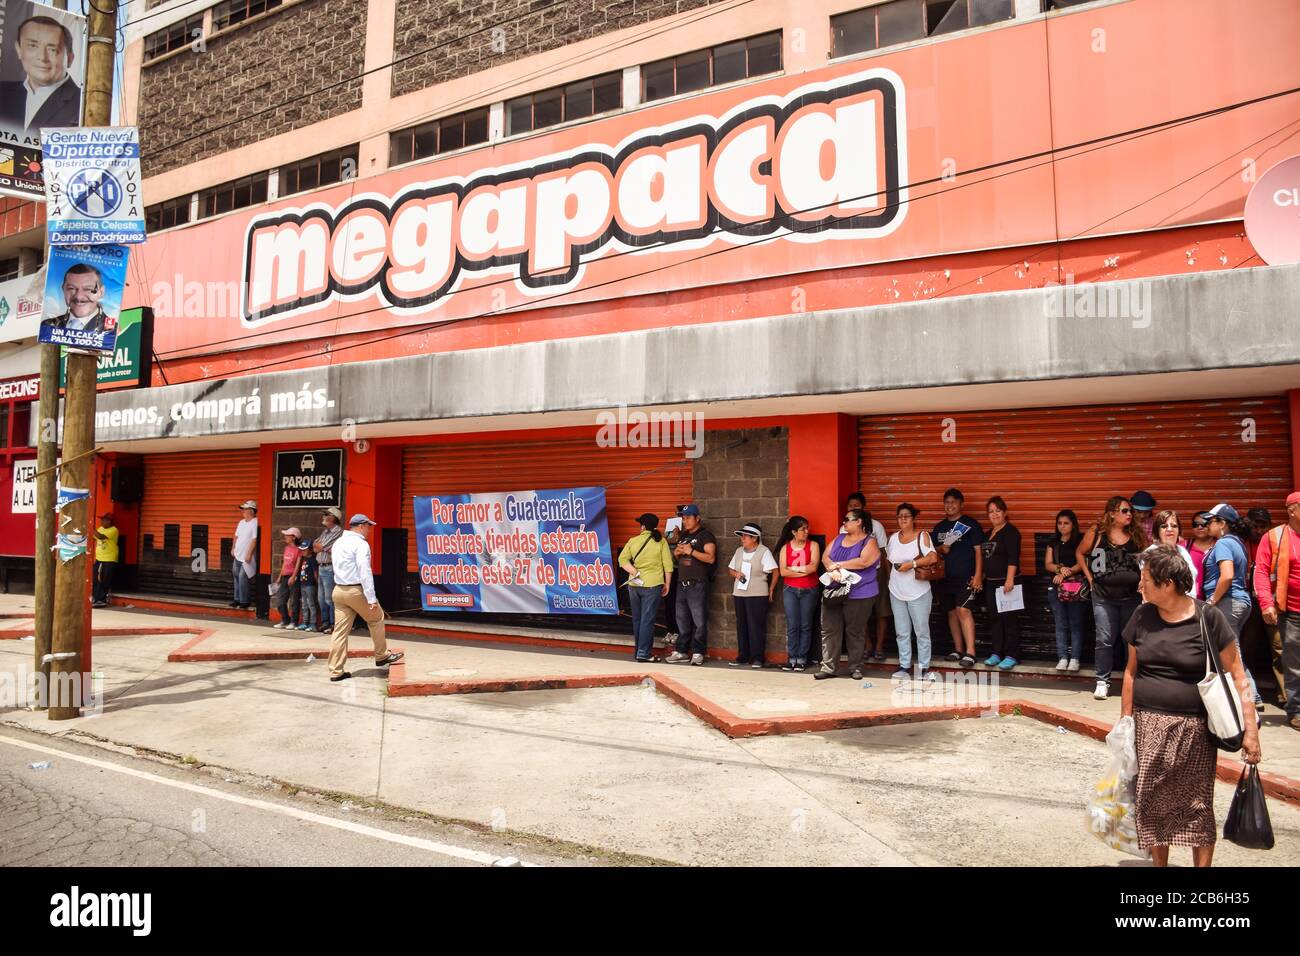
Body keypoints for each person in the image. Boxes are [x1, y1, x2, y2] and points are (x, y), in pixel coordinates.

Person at [1121, 545, 1260, 867]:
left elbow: (1239, 678)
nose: (1140, 586)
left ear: (1167, 583)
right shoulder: (1141, 615)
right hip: (1148, 724)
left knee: (1196, 804)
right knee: (1151, 802)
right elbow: (1130, 672)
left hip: (1195, 729)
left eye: (1145, 580)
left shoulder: (1208, 618)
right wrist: (1126, 720)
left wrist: (1251, 733)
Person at [1079, 496, 1146, 700]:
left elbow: (1145, 560)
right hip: (1102, 596)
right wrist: (1090, 579)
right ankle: (1102, 681)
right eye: (1125, 510)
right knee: (1104, 639)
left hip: (1131, 597)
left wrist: (1144, 581)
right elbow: (1080, 553)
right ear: (1112, 513)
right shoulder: (1097, 532)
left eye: (1130, 511)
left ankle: (1132, 679)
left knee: (1131, 640)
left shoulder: (1135, 535)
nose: (1129, 514)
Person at [327, 514, 403, 682]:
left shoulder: (338, 542)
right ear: (361, 526)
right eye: (368, 526)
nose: (369, 530)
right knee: (377, 618)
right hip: (355, 590)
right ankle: (381, 655)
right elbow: (365, 572)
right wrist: (371, 599)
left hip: (338, 590)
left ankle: (335, 671)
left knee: (339, 632)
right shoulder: (361, 544)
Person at [1203, 503, 1261, 712]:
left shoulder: (1223, 544)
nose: (1207, 525)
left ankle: (1250, 700)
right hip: (1238, 602)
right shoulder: (1238, 543)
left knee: (1232, 656)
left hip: (1228, 602)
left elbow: (1226, 575)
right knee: (1233, 653)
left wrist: (1212, 601)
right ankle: (1252, 696)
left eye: (1211, 521)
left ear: (1222, 524)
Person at [816, 508, 880, 681]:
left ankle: (855, 667)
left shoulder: (870, 541)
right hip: (834, 590)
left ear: (858, 521)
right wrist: (832, 567)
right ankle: (829, 667)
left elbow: (864, 562)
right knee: (829, 629)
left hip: (860, 592)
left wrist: (838, 565)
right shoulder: (839, 538)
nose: (843, 522)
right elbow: (825, 557)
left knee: (855, 631)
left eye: (847, 519)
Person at [1254, 492, 1300, 730]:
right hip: (1292, 610)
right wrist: (1266, 603)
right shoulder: (1275, 537)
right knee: (1293, 663)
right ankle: (1296, 711)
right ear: (1292, 510)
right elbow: (1261, 571)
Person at [0, 16, 82, 138]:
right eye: (32, 46)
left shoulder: (82, 106)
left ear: (70, 59)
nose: (42, 57)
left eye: (52, 49)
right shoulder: (2, 92)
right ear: (19, 50)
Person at [932, 488, 985, 669]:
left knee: (963, 611)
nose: (950, 505)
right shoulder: (939, 528)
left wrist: (978, 575)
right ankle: (958, 649)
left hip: (967, 578)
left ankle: (971, 652)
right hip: (945, 579)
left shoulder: (970, 524)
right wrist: (941, 549)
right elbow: (931, 552)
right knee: (952, 613)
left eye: (954, 502)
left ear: (961, 504)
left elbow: (979, 551)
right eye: (947, 502)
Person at [885, 503, 938, 680]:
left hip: (918, 592)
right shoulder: (893, 538)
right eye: (900, 516)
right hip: (896, 591)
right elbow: (889, 561)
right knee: (902, 631)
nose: (903, 519)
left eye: (907, 516)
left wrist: (911, 564)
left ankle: (924, 668)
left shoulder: (922, 536)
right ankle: (904, 665)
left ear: (914, 518)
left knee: (921, 631)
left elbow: (933, 557)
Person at [618, 513, 674, 663]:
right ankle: (644, 653)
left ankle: (639, 652)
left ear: (642, 526)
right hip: (652, 584)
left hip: (634, 584)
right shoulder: (661, 541)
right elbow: (668, 565)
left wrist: (634, 572)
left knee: (637, 620)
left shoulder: (633, 541)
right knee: (647, 620)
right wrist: (667, 583)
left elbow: (622, 560)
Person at [665, 504, 715, 666]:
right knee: (682, 619)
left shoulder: (705, 535)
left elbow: (711, 558)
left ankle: (699, 651)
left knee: (699, 620)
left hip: (697, 583)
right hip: (682, 583)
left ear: (697, 518)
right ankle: (681, 651)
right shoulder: (684, 535)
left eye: (688, 518)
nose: (685, 521)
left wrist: (691, 551)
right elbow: (679, 555)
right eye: (683, 518)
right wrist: (677, 553)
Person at [845, 492, 892, 662]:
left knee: (881, 610)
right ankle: (868, 645)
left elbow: (884, 552)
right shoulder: (844, 528)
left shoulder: (876, 526)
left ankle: (879, 647)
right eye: (850, 506)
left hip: (876, 572)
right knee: (859, 612)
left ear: (863, 507)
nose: (853, 508)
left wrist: (888, 577)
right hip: (854, 574)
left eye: (856, 505)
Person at [727, 523, 778, 669]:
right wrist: (736, 574)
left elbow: (775, 571)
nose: (742, 538)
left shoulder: (763, 551)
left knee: (756, 626)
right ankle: (743, 656)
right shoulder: (738, 551)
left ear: (754, 538)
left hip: (757, 594)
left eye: (745, 536)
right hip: (739, 593)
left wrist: (771, 589)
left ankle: (757, 657)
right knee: (741, 625)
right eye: (742, 536)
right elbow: (731, 569)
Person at [981, 496, 1023, 671]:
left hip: (1007, 583)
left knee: (1009, 620)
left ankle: (1012, 655)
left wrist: (1010, 579)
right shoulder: (988, 533)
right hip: (991, 583)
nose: (994, 514)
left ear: (1005, 512)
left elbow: (1013, 558)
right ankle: (997, 652)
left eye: (998, 510)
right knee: (995, 619)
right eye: (991, 511)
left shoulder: (1011, 532)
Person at [776, 516, 820, 672]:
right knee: (792, 625)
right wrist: (804, 570)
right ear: (794, 532)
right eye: (803, 529)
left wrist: (793, 569)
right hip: (790, 590)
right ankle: (791, 658)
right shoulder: (785, 548)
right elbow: (782, 572)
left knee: (806, 625)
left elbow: (813, 568)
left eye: (807, 528)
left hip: (810, 589)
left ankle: (802, 658)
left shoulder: (813, 545)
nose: (806, 532)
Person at [1044, 509, 1085, 672]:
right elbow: (1048, 564)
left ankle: (1075, 658)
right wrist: (1061, 570)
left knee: (1076, 624)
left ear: (1073, 524)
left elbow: (1082, 562)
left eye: (1066, 523)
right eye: (1059, 523)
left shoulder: (1079, 541)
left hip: (1076, 587)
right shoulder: (1053, 542)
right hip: (1056, 586)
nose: (1062, 526)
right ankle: (1062, 657)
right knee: (1060, 624)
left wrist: (1068, 572)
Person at [43, 264, 116, 334]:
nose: (79, 297)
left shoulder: (112, 331)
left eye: (88, 289)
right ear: (63, 289)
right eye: (71, 288)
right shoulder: (47, 326)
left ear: (101, 292)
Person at [1145, 510, 1197, 599]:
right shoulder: (1150, 553)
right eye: (1164, 526)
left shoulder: (1183, 551)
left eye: (1174, 526)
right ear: (1157, 531)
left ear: (1179, 530)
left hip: (1187, 605)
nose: (1170, 529)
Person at [313, 507, 344, 634]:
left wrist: (320, 547)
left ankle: (333, 624)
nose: (323, 517)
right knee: (320, 598)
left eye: (326, 515)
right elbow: (315, 546)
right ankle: (325, 623)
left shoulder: (338, 531)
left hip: (330, 567)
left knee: (329, 599)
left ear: (333, 518)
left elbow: (320, 546)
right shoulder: (325, 532)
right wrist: (320, 547)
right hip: (321, 566)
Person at [272, 528, 304, 629]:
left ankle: (294, 622)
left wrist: (293, 576)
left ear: (294, 537)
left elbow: (298, 565)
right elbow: (284, 563)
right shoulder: (286, 548)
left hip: (294, 577)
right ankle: (285, 620)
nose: (285, 537)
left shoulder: (299, 550)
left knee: (294, 600)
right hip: (285, 577)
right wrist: (279, 577)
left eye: (287, 535)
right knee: (280, 601)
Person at [230, 500, 258, 610]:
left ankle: (244, 601)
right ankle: (236, 599)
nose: (242, 511)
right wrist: (233, 548)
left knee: (243, 577)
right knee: (236, 576)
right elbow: (236, 536)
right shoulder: (241, 522)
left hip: (246, 557)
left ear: (251, 511)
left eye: (245, 509)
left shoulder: (255, 522)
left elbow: (254, 539)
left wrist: (249, 554)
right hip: (238, 554)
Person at [91, 511, 119, 608]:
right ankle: (96, 598)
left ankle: (102, 600)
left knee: (104, 579)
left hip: (109, 558)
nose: (101, 522)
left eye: (103, 520)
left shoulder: (113, 530)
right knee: (96, 579)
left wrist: (90, 527)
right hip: (99, 558)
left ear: (109, 521)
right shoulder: (101, 528)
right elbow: (94, 537)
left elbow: (100, 536)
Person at [1187, 511, 1214, 598]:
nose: (1199, 527)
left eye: (1204, 524)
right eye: (1196, 524)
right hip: (1190, 597)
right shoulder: (1183, 546)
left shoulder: (1220, 546)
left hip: (1214, 598)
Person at [296, 540, 318, 632]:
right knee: (304, 604)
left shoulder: (313, 560)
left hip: (310, 585)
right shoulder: (303, 559)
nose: (303, 551)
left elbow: (315, 572)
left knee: (311, 604)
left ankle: (313, 624)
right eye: (302, 550)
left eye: (304, 550)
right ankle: (305, 622)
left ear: (310, 550)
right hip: (303, 584)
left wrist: (317, 583)